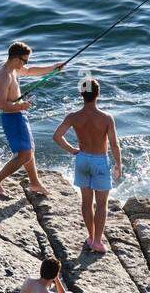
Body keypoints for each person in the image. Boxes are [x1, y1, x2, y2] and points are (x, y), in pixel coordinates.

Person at [52, 74, 121, 253]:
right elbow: (114, 144)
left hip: (82, 159)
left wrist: (73, 150)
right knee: (101, 204)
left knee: (86, 201)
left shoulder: (74, 117)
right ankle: (97, 241)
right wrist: (118, 164)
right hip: (99, 161)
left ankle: (90, 237)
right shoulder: (106, 118)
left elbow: (57, 136)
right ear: (98, 94)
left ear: (81, 95)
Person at [0, 41, 65, 197]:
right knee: (24, 154)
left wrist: (53, 68)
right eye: (25, 60)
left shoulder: (11, 67)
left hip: (18, 115)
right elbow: (1, 104)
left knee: (29, 150)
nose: (26, 64)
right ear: (16, 59)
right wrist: (20, 107)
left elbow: (30, 71)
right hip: (12, 117)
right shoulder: (5, 75)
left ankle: (35, 183)